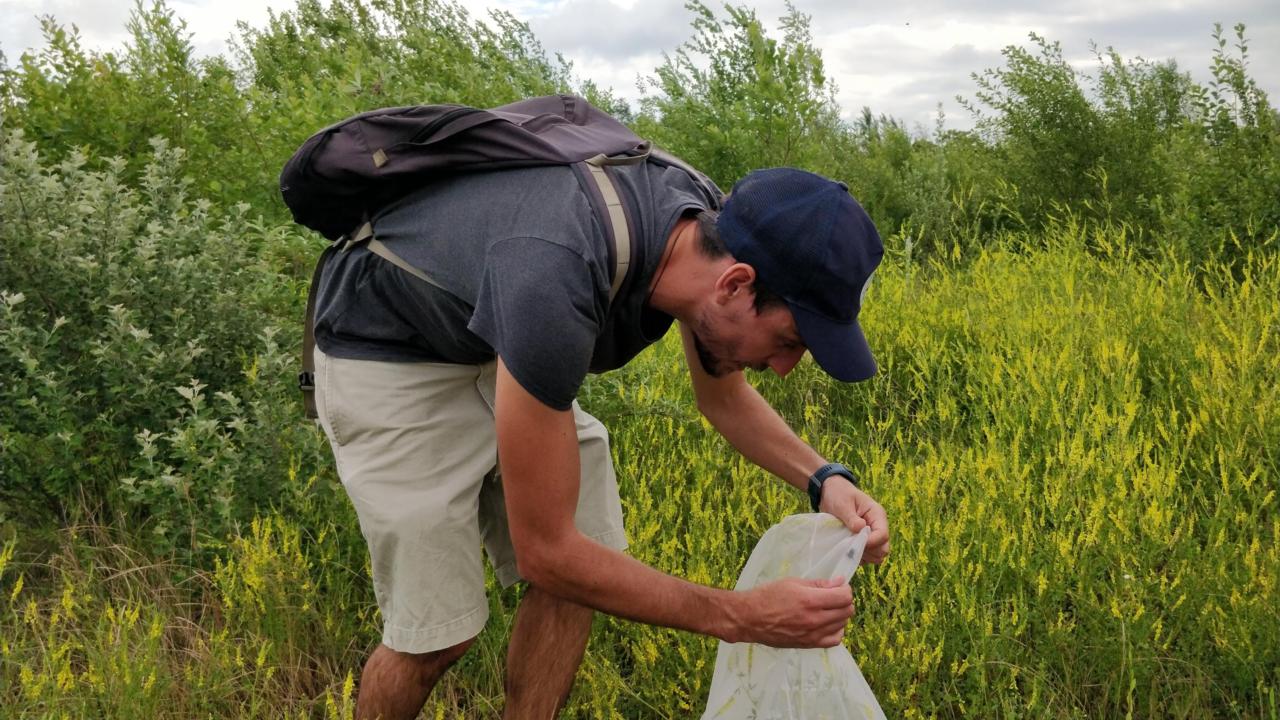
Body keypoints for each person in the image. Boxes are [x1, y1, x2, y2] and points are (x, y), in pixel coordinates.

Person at [311, 158, 891, 719]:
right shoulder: (555, 275)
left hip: (495, 339)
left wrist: (825, 480)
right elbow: (547, 555)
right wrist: (741, 617)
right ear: (736, 285)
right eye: (790, 341)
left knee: (584, 572)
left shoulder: (715, 233)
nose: (787, 367)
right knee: (437, 634)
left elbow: (723, 397)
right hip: (389, 352)